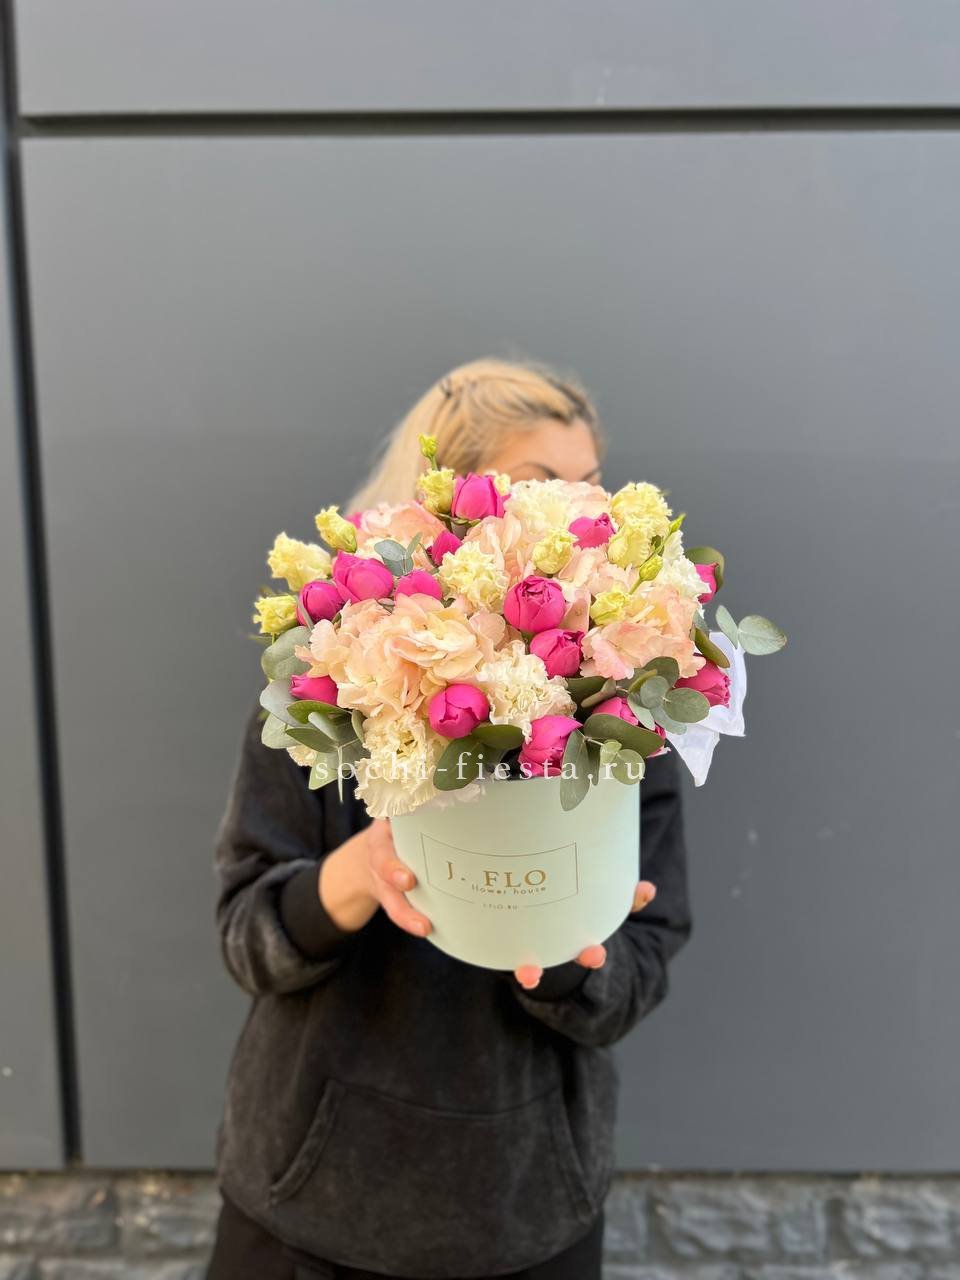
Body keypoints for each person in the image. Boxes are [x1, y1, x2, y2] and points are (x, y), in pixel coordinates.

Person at [206, 356, 693, 1280]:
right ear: (447, 510)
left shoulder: (632, 702)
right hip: (308, 1211)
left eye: (591, 486)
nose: (581, 516)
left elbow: (640, 962)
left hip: (525, 1213)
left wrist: (565, 939)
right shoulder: (337, 681)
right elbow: (245, 936)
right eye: (541, 485)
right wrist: (360, 874)